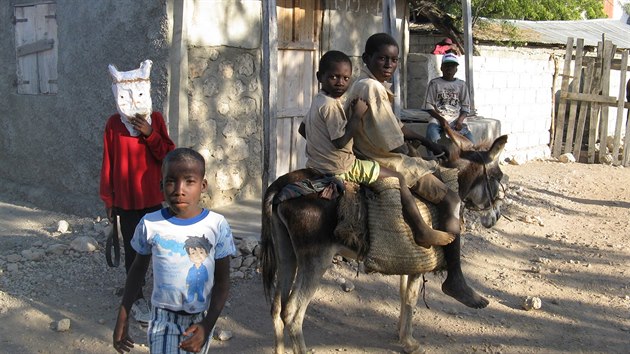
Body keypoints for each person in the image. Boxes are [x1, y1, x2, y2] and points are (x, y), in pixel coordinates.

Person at [344, 32, 489, 309]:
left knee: (432, 164)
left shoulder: (370, 85)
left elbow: (396, 127)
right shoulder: (372, 88)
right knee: (452, 199)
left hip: (380, 153)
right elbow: (391, 140)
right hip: (385, 159)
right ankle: (455, 277)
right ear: (367, 59)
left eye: (394, 60)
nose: (389, 65)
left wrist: (427, 142)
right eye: (383, 59)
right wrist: (420, 157)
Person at [299, 50, 454, 248]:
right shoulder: (333, 105)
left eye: (345, 78)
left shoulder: (318, 100)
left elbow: (302, 129)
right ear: (320, 77)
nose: (340, 82)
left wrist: (320, 147)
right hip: (343, 167)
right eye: (334, 77)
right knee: (399, 177)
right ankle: (420, 230)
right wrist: (357, 115)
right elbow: (340, 142)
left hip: (315, 164)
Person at [113, 148, 236, 354]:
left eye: (189, 181)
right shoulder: (150, 223)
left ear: (203, 185)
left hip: (200, 318)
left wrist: (207, 324)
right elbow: (137, 271)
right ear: (161, 185)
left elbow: (222, 282)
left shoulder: (217, 225)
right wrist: (122, 317)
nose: (179, 189)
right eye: (171, 181)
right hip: (163, 318)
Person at [100, 59, 176, 323]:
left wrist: (151, 133)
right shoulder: (113, 125)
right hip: (127, 202)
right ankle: (136, 297)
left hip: (152, 199)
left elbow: (168, 154)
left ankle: (161, 293)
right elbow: (108, 162)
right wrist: (108, 200)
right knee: (134, 250)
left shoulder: (155, 119)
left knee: (157, 248)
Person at [424, 53, 474, 144]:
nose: (449, 69)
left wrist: (460, 120)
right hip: (438, 118)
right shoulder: (434, 83)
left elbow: (466, 107)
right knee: (432, 135)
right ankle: (434, 157)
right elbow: (428, 105)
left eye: (452, 66)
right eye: (446, 66)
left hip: (456, 118)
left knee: (471, 142)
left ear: (456, 69)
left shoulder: (461, 84)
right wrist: (441, 119)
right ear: (441, 68)